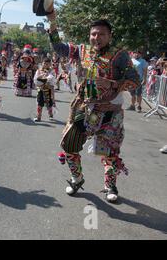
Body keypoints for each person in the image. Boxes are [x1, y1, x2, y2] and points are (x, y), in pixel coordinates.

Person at [47, 10, 139, 203]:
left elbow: (135, 81)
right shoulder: (82, 50)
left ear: (110, 36)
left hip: (110, 112)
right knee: (69, 143)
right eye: (93, 34)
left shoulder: (120, 56)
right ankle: (77, 178)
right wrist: (52, 20)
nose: (96, 37)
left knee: (110, 152)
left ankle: (110, 184)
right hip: (85, 109)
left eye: (101, 34)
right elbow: (58, 46)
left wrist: (113, 84)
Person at [34, 58, 56, 122]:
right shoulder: (38, 71)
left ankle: (50, 114)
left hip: (48, 89)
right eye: (44, 63)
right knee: (39, 102)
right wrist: (41, 79)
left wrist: (45, 80)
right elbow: (35, 80)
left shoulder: (52, 71)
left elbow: (52, 80)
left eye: (47, 64)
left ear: (50, 64)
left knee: (49, 102)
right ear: (42, 63)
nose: (45, 65)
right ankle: (39, 116)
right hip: (40, 89)